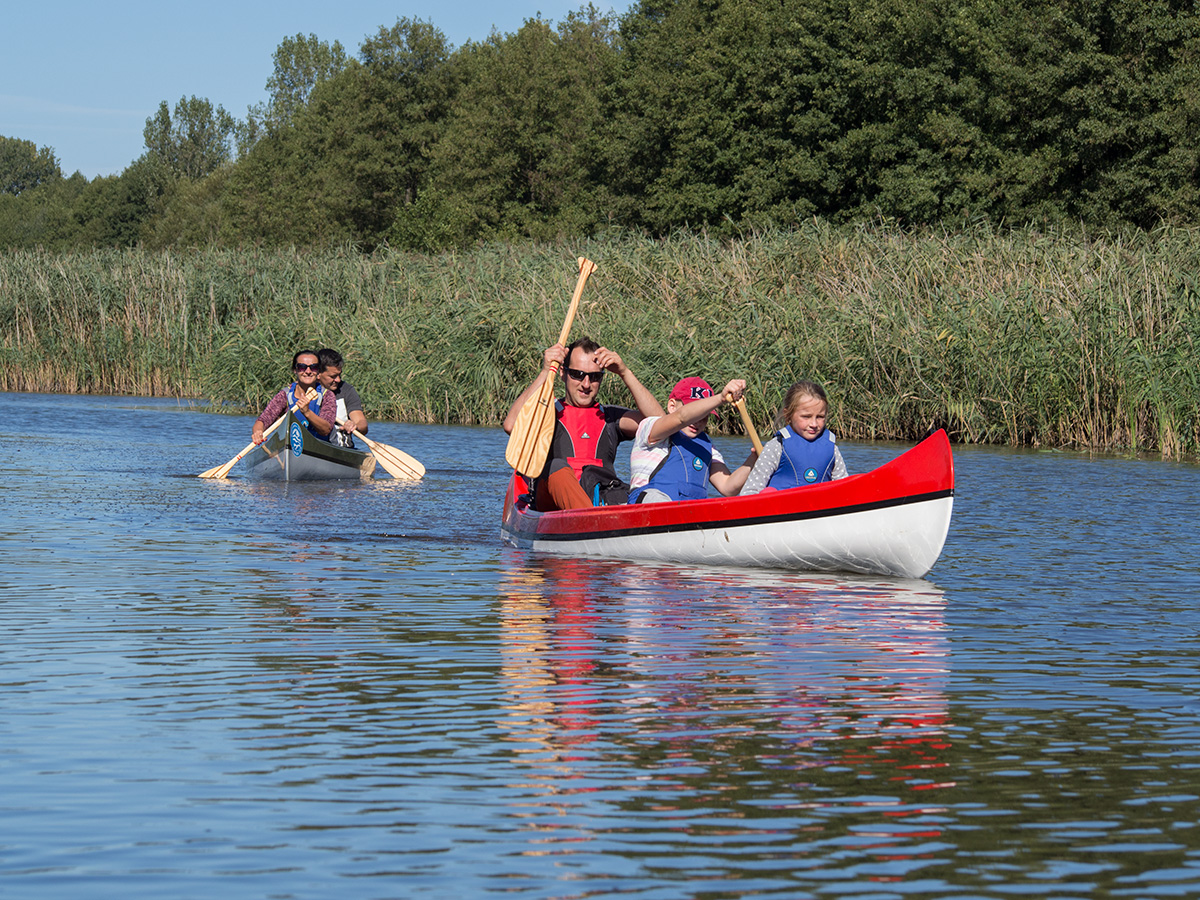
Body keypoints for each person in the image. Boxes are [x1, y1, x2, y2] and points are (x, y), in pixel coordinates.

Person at [502, 336, 664, 510]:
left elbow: (661, 423)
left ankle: (597, 518)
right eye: (578, 375)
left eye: (594, 377)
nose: (586, 384)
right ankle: (593, 520)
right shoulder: (548, 412)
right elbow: (511, 425)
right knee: (556, 466)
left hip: (597, 498)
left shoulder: (610, 417)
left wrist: (625, 373)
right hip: (551, 501)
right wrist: (545, 372)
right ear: (563, 374)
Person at [627, 377, 759, 503]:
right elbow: (682, 417)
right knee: (656, 498)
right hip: (649, 506)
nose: (698, 421)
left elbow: (728, 487)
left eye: (705, 416)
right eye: (695, 414)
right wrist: (721, 398)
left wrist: (754, 458)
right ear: (672, 406)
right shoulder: (652, 428)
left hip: (688, 513)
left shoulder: (707, 446)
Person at [739, 380, 848, 495]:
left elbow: (844, 488)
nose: (814, 424)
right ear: (788, 415)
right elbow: (750, 491)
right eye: (806, 416)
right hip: (780, 509)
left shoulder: (832, 449)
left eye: (820, 417)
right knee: (768, 492)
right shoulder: (777, 446)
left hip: (820, 508)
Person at [252, 349, 337, 444]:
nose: (308, 371)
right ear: (295, 370)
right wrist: (258, 432)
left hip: (319, 446)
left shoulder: (327, 396)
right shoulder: (285, 395)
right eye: (302, 367)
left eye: (313, 367)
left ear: (318, 371)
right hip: (291, 445)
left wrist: (307, 412)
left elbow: (325, 430)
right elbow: (264, 420)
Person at [317, 348, 368, 448]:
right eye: (333, 376)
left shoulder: (346, 390)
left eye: (339, 375)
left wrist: (355, 425)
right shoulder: (305, 390)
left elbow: (362, 424)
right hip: (315, 446)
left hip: (342, 449)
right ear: (318, 374)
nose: (338, 380)